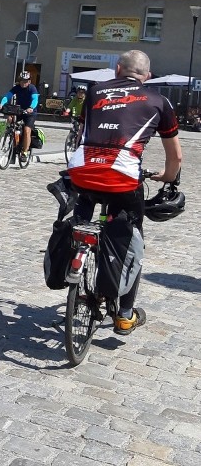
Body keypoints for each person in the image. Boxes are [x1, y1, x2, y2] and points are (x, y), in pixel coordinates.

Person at [61, 50, 182, 334]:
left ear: (117, 70)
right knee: (131, 238)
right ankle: (125, 315)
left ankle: (76, 250)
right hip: (122, 178)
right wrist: (167, 177)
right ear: (147, 76)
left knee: (81, 217)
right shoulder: (159, 101)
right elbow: (175, 156)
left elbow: (86, 132)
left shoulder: (93, 93)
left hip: (81, 171)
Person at [0, 71, 39, 162]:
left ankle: (24, 152)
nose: (23, 83)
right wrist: (1, 104)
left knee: (27, 130)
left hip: (30, 112)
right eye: (22, 81)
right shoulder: (16, 88)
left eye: (26, 81)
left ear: (29, 81)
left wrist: (31, 107)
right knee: (10, 118)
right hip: (19, 110)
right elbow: (7, 96)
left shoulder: (32, 88)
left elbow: (35, 99)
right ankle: (11, 138)